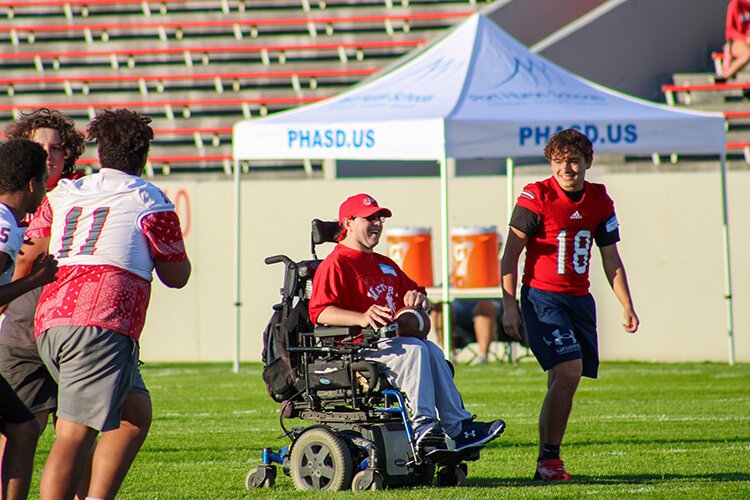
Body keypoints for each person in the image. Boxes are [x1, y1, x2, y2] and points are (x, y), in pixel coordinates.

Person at [32, 108, 192, 499]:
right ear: (144, 154)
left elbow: (33, 244)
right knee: (74, 435)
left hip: (50, 317)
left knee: (135, 414)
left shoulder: (67, 191)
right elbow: (177, 276)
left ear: (100, 151)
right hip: (100, 323)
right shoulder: (149, 198)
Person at [308, 193, 506, 457]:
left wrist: (418, 298)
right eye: (370, 218)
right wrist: (361, 317)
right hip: (356, 349)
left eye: (380, 217)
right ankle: (423, 424)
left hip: (393, 344)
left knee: (432, 350)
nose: (377, 222)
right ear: (349, 222)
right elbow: (320, 312)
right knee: (415, 349)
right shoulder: (336, 264)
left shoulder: (385, 264)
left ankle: (458, 429)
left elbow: (416, 292)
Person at [500, 129, 639, 481]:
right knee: (568, 371)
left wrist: (626, 303)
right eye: (559, 162)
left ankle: (543, 462)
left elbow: (611, 257)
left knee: (560, 380)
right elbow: (509, 257)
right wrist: (509, 306)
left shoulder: (600, 199)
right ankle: (550, 459)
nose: (567, 169)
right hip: (542, 297)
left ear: (588, 163)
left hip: (579, 299)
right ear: (551, 162)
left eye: (574, 161)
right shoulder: (536, 196)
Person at [0, 108, 86, 477]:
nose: (49, 155)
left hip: (68, 319)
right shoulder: (12, 211)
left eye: (57, 148)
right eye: (40, 147)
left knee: (77, 431)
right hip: (21, 324)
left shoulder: (79, 193)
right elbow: (21, 264)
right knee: (22, 427)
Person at [0, 138, 60, 500]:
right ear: (33, 184)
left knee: (23, 427)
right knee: (22, 427)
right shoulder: (5, 229)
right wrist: (36, 280)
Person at [430, 299, 527, 365]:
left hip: (490, 300)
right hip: (460, 302)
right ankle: (449, 356)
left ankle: (483, 356)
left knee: (484, 308)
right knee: (440, 309)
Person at [722, 0, 750, 80]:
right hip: (735, 42)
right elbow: (729, 30)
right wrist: (746, 39)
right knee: (748, 53)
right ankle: (726, 74)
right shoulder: (736, 4)